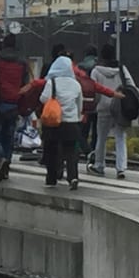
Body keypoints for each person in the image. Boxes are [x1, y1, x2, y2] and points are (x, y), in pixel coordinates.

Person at [89, 44, 135, 179]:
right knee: (120, 137)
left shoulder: (96, 71)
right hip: (119, 108)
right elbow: (131, 86)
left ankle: (99, 165)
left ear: (102, 56)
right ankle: (121, 169)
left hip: (103, 108)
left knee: (101, 138)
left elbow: (94, 90)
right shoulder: (121, 69)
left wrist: (95, 105)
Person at [39, 56, 82, 190]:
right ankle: (73, 177)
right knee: (71, 152)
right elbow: (79, 104)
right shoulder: (76, 84)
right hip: (71, 123)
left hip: (54, 123)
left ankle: (51, 178)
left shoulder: (52, 82)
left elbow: (43, 99)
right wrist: (77, 116)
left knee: (52, 150)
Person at [0, 34, 29, 182]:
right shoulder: (22, 62)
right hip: (15, 102)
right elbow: (25, 84)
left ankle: (0, 159)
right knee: (9, 135)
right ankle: (7, 162)